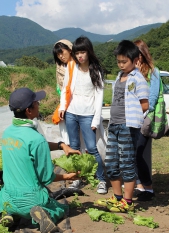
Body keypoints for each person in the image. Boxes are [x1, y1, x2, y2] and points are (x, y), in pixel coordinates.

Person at [0, 88, 81, 233]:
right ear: (29, 111)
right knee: (61, 209)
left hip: (6, 198)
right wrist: (68, 176)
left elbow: (30, 145)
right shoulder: (36, 139)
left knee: (9, 202)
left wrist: (61, 145)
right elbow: (47, 178)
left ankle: (7, 214)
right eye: (36, 103)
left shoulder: (7, 133)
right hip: (32, 200)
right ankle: (42, 216)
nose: (39, 104)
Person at [96, 40, 149, 212]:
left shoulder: (138, 79)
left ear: (135, 60)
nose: (120, 65)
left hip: (128, 126)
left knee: (127, 162)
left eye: (124, 62)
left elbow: (145, 105)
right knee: (111, 162)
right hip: (114, 125)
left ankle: (127, 200)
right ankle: (117, 197)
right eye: (118, 61)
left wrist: (132, 116)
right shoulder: (119, 77)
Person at [58, 36, 107, 194]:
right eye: (77, 53)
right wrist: (63, 107)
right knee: (74, 147)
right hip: (72, 112)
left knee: (92, 148)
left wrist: (96, 119)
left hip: (88, 115)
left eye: (82, 52)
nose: (80, 56)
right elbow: (66, 89)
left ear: (88, 52)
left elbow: (99, 97)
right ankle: (76, 179)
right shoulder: (72, 68)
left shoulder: (96, 71)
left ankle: (101, 179)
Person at [133, 39, 160, 201]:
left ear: (142, 54)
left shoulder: (153, 72)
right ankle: (140, 185)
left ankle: (148, 188)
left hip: (144, 119)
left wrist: (138, 113)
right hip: (132, 120)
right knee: (133, 153)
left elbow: (152, 99)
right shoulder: (132, 72)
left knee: (137, 153)